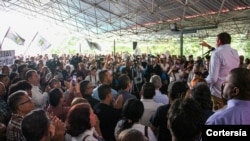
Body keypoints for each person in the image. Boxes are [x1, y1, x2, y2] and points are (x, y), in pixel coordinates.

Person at [200, 32, 239, 111]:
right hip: (231, 91)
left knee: (217, 115)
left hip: (218, 92)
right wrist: (208, 46)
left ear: (219, 41)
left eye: (216, 41)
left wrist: (202, 82)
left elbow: (213, 78)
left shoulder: (216, 53)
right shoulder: (235, 52)